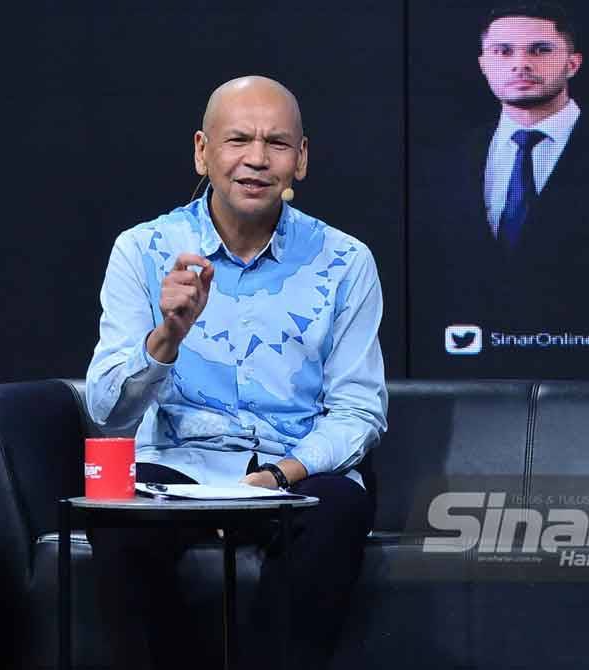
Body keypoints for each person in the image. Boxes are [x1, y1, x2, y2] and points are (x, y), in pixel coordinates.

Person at [85, 75, 387, 670]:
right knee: (119, 523)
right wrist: (167, 337)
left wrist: (280, 474)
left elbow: (359, 410)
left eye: (277, 144)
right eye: (237, 140)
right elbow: (107, 411)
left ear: (300, 160)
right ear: (203, 151)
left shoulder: (346, 260)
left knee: (339, 511)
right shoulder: (143, 250)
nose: (256, 159)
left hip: (297, 469)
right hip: (177, 466)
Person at [424, 3, 589, 339]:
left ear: (573, 63)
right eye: (503, 51)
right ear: (484, 64)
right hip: (470, 358)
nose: (520, 64)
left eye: (540, 50)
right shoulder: (447, 157)